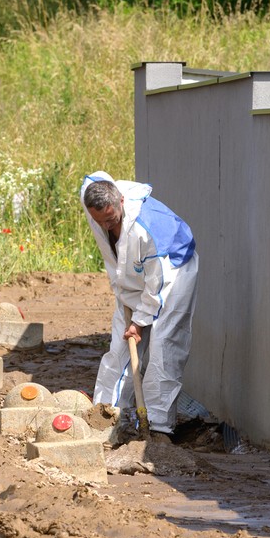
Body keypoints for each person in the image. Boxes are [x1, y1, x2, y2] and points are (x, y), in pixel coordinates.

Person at [79, 171, 199, 440]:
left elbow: (158, 286)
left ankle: (157, 427)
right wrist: (131, 320)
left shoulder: (150, 230)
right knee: (118, 348)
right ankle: (104, 415)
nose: (107, 227)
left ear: (121, 201)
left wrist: (139, 322)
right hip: (132, 276)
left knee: (163, 347)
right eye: (100, 222)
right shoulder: (95, 198)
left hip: (172, 272)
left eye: (110, 220)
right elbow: (91, 177)